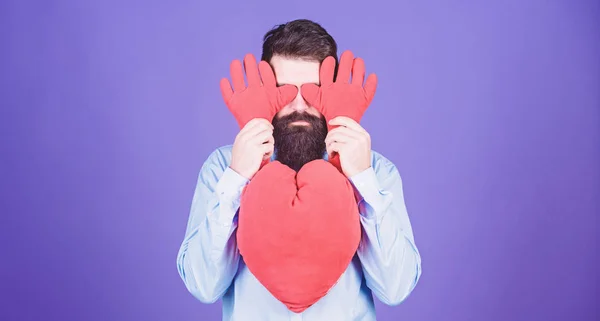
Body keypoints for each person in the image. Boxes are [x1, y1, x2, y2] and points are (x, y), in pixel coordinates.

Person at [176, 19, 422, 321]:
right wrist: (237, 178)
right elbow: (203, 287)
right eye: (283, 90)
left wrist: (362, 179)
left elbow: (395, 289)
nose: (299, 105)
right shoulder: (223, 167)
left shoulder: (376, 170)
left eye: (314, 89)